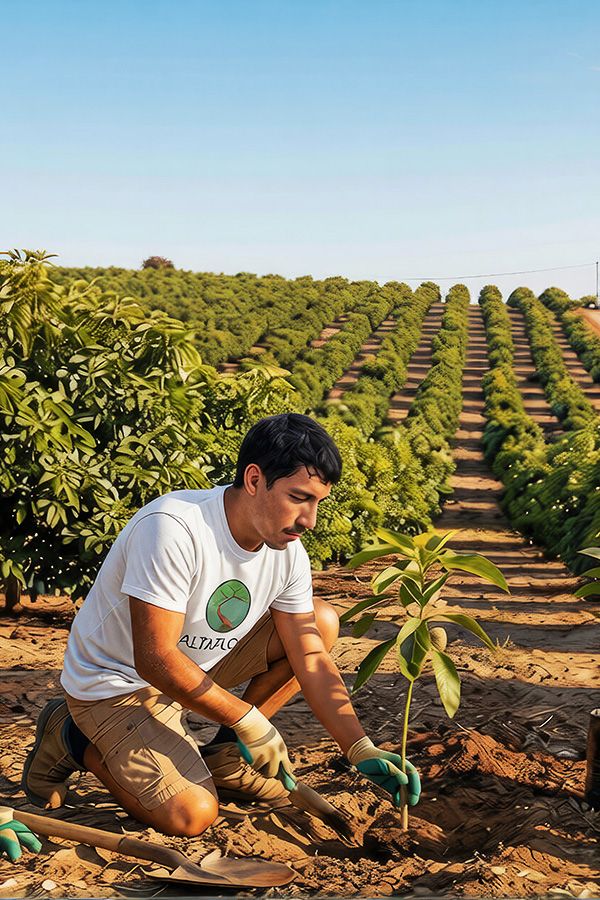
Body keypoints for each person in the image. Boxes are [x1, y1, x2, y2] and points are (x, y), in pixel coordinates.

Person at [21, 413, 421, 838]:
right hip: (117, 686)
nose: (310, 520)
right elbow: (155, 659)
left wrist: (357, 746)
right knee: (191, 814)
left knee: (319, 624)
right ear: (254, 480)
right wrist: (249, 719)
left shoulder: (288, 553)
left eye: (318, 502)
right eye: (298, 497)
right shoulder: (174, 528)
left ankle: (226, 756)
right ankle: (70, 735)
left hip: (194, 670)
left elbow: (310, 656)